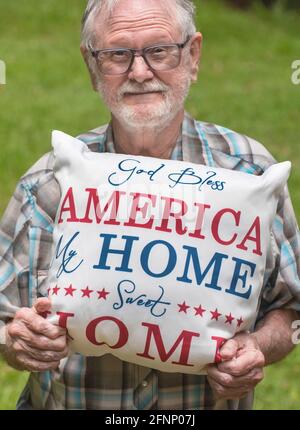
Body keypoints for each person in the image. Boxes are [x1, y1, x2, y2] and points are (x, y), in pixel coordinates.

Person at [0, 0, 299, 410]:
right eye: (117, 54)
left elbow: (290, 309)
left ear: (192, 55)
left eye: (159, 51)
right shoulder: (47, 183)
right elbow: (3, 319)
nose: (139, 72)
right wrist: (18, 341)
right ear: (91, 65)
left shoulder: (250, 174)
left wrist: (257, 346)